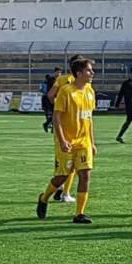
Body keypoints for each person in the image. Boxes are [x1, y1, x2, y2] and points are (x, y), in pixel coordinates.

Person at [36, 56, 97, 224]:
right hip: (68, 141)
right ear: (79, 73)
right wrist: (62, 140)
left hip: (83, 142)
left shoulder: (90, 91)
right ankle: (44, 198)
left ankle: (79, 214)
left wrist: (92, 142)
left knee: (85, 175)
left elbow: (89, 118)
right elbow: (56, 117)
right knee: (62, 177)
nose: (92, 73)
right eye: (89, 70)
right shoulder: (66, 91)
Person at [46, 61, 80, 203]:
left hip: (60, 124)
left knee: (61, 160)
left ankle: (59, 188)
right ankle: (65, 192)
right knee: (72, 163)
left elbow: (50, 95)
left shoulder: (60, 79)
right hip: (72, 127)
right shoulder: (78, 83)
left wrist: (58, 107)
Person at [41, 67, 61, 133]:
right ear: (54, 73)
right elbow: (51, 90)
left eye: (60, 72)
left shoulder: (60, 80)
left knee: (56, 114)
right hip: (51, 98)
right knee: (54, 114)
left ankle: (49, 126)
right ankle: (50, 126)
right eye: (57, 72)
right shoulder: (51, 80)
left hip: (57, 98)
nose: (59, 74)